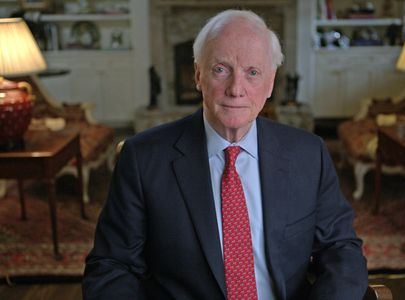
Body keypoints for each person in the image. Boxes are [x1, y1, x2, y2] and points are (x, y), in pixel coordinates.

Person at [83, 9, 368, 299]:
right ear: (197, 75)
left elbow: (340, 248)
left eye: (252, 73)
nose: (236, 89)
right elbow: (111, 267)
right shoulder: (143, 158)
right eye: (221, 69)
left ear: (270, 83)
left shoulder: (309, 154)